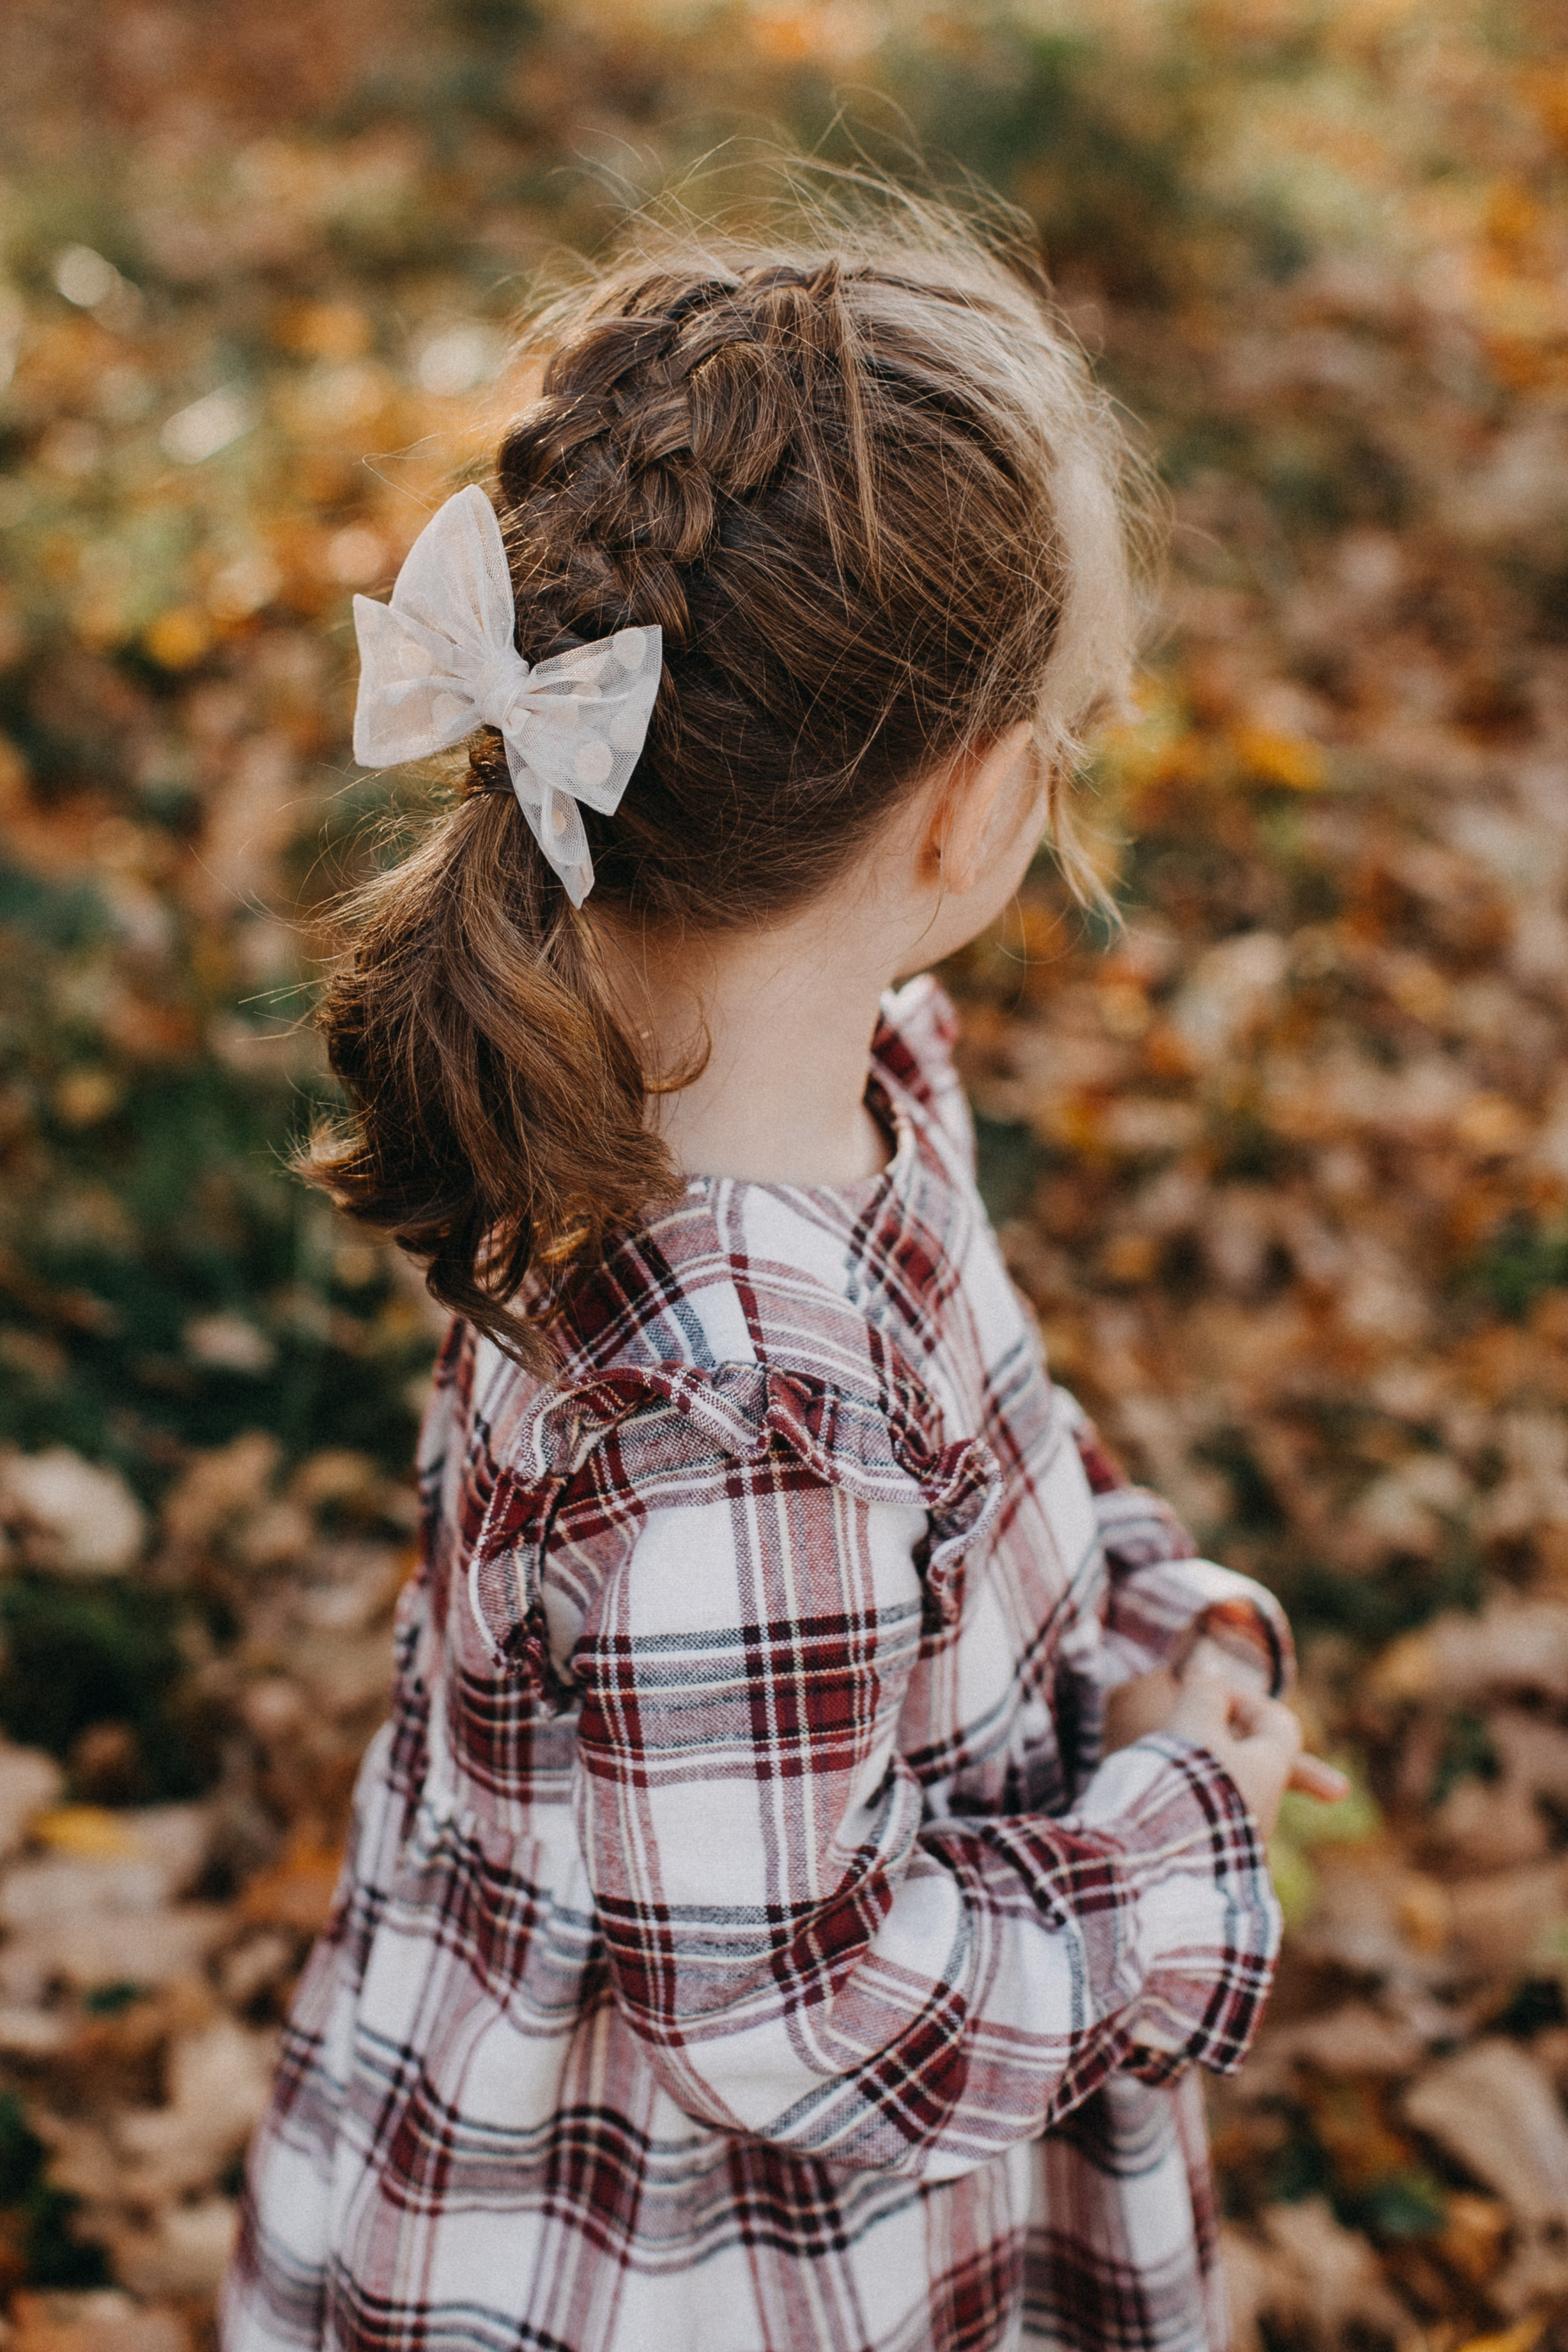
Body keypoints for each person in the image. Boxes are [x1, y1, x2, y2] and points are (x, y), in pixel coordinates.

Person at [223, 191, 1346, 2352]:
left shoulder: (841, 1078)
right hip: (693, 2267)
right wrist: (1180, 1849)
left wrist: (1148, 1618)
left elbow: (1001, 1451)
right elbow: (798, 2027)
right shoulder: (735, 1415)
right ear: (975, 810)